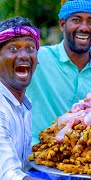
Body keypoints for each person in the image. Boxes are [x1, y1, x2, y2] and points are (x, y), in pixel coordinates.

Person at [26, 0, 91, 145]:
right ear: (62, 24)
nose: (84, 28)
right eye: (76, 20)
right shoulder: (36, 59)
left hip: (83, 162)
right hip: (33, 158)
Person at [0, 16, 42, 180]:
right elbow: (10, 175)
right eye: (13, 49)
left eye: (30, 48)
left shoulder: (23, 105)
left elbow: (24, 165)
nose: (24, 55)